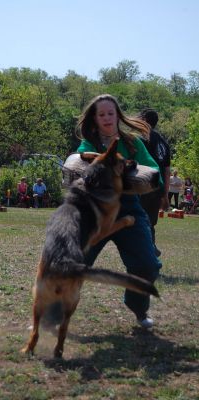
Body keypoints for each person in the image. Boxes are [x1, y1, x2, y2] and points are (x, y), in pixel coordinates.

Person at [76, 94, 162, 329]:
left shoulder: (134, 142)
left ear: (117, 116)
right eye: (101, 114)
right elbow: (77, 161)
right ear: (94, 118)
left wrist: (134, 177)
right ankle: (52, 314)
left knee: (148, 265)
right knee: (71, 263)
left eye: (110, 113)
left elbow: (154, 170)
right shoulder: (88, 144)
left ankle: (139, 308)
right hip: (95, 212)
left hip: (129, 211)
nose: (106, 118)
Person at [139, 108, 171, 257]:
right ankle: (151, 249)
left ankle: (149, 249)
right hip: (158, 187)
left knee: (139, 220)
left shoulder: (141, 139)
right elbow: (166, 171)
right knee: (149, 221)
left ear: (144, 119)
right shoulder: (164, 142)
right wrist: (165, 194)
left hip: (144, 185)